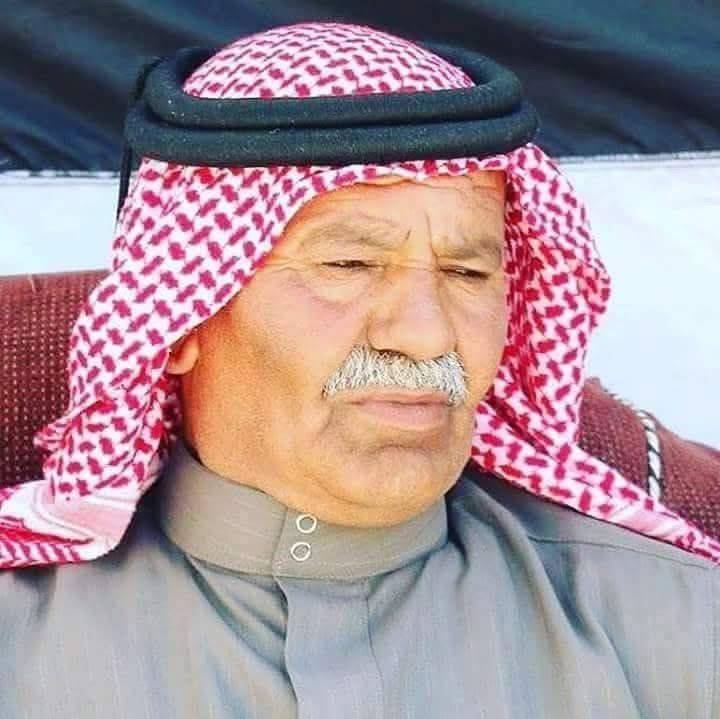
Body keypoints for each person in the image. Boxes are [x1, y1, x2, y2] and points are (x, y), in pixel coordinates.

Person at [1, 22, 718, 718]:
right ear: (179, 318)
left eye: (468, 272)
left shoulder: (676, 630)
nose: (428, 335)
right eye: (349, 264)